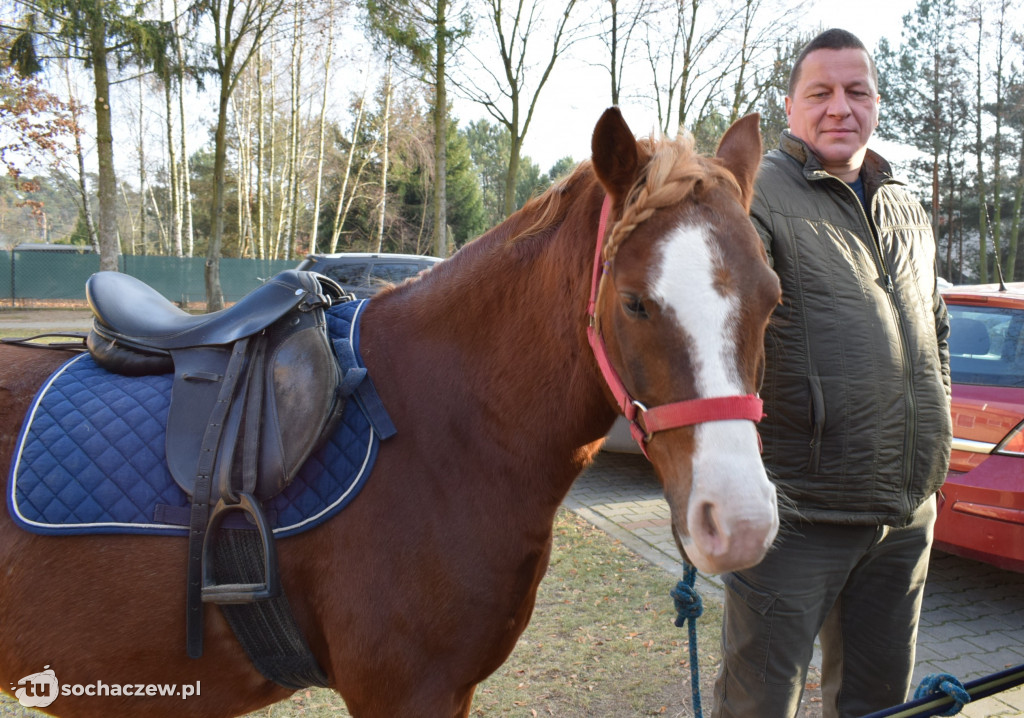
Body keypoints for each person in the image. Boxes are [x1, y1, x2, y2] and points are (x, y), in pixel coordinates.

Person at [711, 28, 952, 718]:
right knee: (760, 704)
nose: (840, 107)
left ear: (877, 102)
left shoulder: (905, 204)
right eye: (821, 93)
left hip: (906, 514)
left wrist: (936, 438)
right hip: (799, 515)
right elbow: (720, 327)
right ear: (791, 107)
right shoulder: (752, 199)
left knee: (881, 704)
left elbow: (935, 327)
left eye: (857, 91)